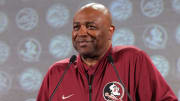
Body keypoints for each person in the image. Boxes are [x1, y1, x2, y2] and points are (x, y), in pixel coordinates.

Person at [37, 3, 178, 101]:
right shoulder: (57, 73)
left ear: (110, 31)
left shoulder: (133, 60)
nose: (81, 33)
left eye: (91, 26)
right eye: (76, 27)